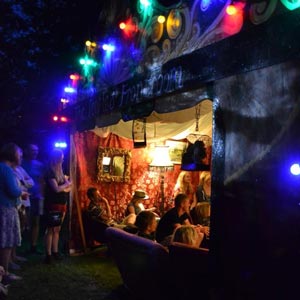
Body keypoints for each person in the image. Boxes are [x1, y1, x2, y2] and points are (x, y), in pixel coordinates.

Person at [0, 143, 29, 282]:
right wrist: (22, 192)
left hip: (3, 207)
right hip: (6, 209)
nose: (21, 157)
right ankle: (4, 275)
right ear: (12, 155)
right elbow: (12, 191)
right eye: (19, 155)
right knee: (6, 243)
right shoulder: (6, 169)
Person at [43, 149, 71, 264]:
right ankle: (48, 254)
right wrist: (66, 184)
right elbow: (56, 189)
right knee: (51, 229)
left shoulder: (60, 171)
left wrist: (65, 186)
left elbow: (68, 189)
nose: (63, 160)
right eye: (62, 158)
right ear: (57, 159)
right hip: (53, 204)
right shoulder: (50, 171)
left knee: (57, 229)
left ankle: (55, 252)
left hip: (61, 203)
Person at [22, 144, 46, 254]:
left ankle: (33, 246)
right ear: (26, 151)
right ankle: (19, 244)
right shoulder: (21, 163)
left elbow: (42, 181)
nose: (34, 153)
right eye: (32, 150)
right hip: (23, 196)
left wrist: (41, 195)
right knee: (23, 221)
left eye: (36, 151)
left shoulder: (40, 165)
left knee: (36, 221)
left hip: (36, 197)